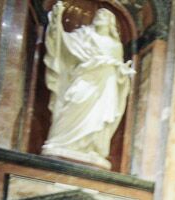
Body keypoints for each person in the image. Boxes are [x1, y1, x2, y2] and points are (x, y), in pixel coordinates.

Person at [42, 1, 134, 168]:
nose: (100, 18)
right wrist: (57, 21)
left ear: (110, 23)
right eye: (98, 16)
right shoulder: (84, 35)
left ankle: (92, 147)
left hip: (106, 85)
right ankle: (61, 141)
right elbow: (64, 44)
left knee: (100, 115)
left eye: (105, 17)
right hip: (85, 78)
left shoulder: (115, 45)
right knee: (74, 104)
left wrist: (123, 72)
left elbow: (117, 68)